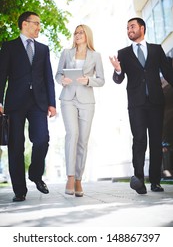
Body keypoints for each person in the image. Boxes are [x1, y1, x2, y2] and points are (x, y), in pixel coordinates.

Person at [110, 17, 173, 194]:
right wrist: (117, 69)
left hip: (156, 102)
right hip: (136, 104)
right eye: (127, 28)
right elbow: (118, 79)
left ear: (142, 28)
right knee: (139, 140)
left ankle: (155, 181)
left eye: (132, 26)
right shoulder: (123, 53)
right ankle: (138, 179)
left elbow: (168, 72)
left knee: (155, 141)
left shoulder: (156, 49)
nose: (129, 30)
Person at [0, 11, 57, 202]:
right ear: (25, 24)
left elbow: (48, 78)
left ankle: (35, 173)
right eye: (36, 23)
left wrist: (52, 103)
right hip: (15, 102)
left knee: (42, 139)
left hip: (38, 102)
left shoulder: (43, 49)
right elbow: (1, 76)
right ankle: (19, 190)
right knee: (16, 145)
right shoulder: (9, 47)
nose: (39, 27)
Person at [55, 24, 105, 197]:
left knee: (83, 140)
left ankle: (78, 179)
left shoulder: (96, 56)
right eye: (75, 33)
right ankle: (70, 177)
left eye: (81, 32)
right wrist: (63, 80)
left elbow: (101, 80)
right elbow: (58, 74)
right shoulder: (66, 53)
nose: (77, 35)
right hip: (68, 98)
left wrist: (88, 80)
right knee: (72, 134)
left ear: (87, 35)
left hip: (87, 101)